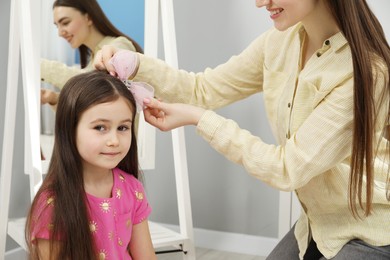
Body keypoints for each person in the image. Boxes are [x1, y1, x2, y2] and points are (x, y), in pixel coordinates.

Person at [95, 0, 390, 259]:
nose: (260, 2)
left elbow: (288, 168)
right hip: (316, 224)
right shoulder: (278, 43)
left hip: (372, 231)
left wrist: (200, 119)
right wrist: (135, 64)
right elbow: (203, 89)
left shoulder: (366, 71)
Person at [25, 71, 156, 260]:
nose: (114, 140)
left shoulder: (132, 188)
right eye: (100, 127)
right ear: (70, 130)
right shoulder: (52, 204)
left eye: (123, 128)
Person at [40, 0, 143, 106]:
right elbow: (92, 108)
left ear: (88, 18)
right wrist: (53, 98)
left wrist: (40, 66)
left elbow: (93, 84)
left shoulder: (119, 45)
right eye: (57, 26)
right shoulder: (92, 60)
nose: (60, 33)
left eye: (65, 23)